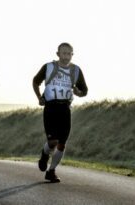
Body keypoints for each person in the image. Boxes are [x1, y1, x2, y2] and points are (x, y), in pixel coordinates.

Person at [32, 42, 88, 182]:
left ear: (72, 55)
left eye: (69, 53)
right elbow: (35, 81)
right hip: (51, 107)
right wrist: (39, 97)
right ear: (58, 54)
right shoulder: (48, 67)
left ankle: (51, 171)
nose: (66, 56)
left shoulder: (76, 70)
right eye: (63, 53)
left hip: (65, 109)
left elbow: (84, 91)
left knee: (62, 143)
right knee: (52, 142)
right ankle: (45, 155)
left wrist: (78, 92)